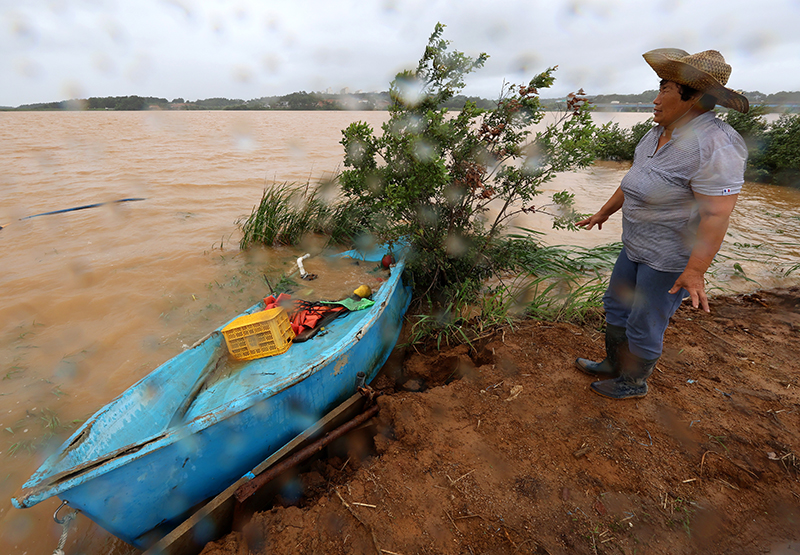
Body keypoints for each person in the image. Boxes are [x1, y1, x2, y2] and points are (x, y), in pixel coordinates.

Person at [575, 49, 749, 399]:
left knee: (646, 320)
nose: (655, 100)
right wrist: (604, 213)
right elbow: (635, 179)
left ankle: (633, 382)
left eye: (664, 90)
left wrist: (696, 271)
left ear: (695, 97)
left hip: (670, 258)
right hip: (636, 245)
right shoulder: (657, 134)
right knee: (617, 304)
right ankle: (613, 364)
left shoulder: (716, 146)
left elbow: (717, 214)